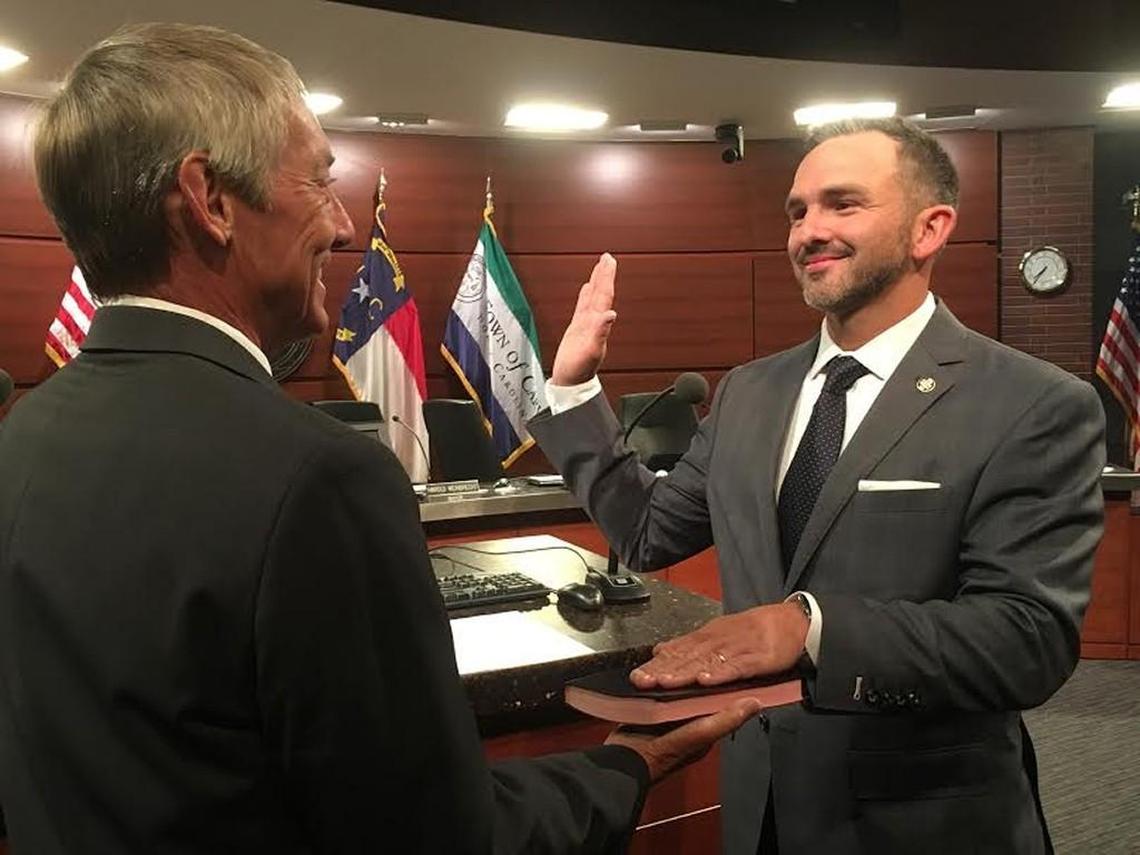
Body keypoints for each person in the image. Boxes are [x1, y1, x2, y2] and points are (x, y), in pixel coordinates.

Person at [0, 23, 760, 855]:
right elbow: (432, 836)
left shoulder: (21, 439)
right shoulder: (316, 477)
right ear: (211, 200)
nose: (340, 224)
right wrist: (622, 767)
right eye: (319, 181)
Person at [529, 117, 1106, 854]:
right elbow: (648, 532)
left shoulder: (1032, 403)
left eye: (843, 203)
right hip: (759, 801)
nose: (809, 231)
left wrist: (809, 628)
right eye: (797, 211)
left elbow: (1027, 641)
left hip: (921, 820)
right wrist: (576, 392)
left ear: (929, 229)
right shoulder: (749, 391)